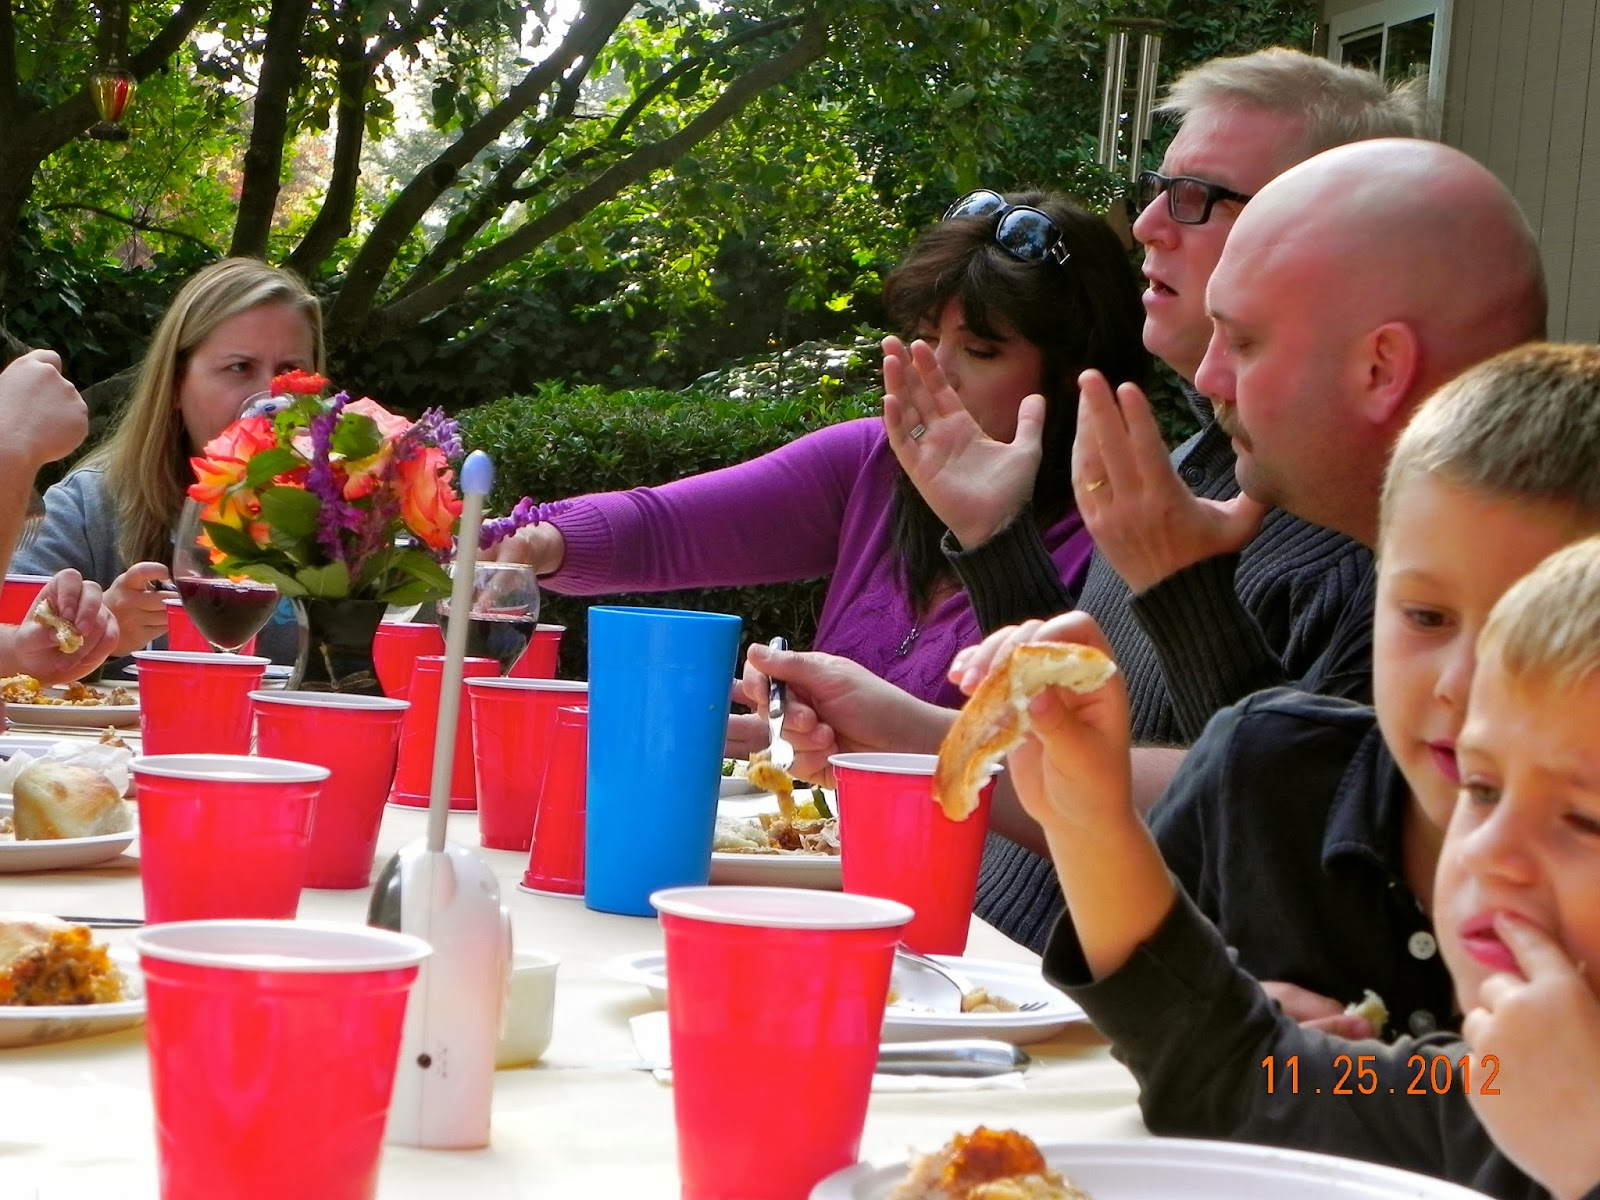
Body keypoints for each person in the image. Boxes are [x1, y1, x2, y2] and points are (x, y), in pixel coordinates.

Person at [962, 341, 1600, 1044]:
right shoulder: (1266, 760)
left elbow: (1484, 1092)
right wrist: (1085, 811)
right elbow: (1159, 1021)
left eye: (1529, 630)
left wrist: (1270, 1056)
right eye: (1425, 617)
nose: (1460, 683)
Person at [976, 534, 1600, 1200]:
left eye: (1584, 820)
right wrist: (1088, 822)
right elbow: (1244, 1077)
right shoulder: (1485, 1082)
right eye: (1483, 789)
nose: (1483, 851)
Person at [491, 193, 1148, 708]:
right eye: (923, 336)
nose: (933, 369)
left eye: (980, 350)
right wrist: (539, 540)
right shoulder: (872, 461)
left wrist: (996, 540)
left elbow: (1070, 751)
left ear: (1074, 377)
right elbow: (665, 529)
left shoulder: (1124, 538)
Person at [16, 258, 323, 664]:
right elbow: (11, 644)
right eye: (240, 367)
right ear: (176, 385)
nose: (269, 398)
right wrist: (99, 634)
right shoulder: (93, 505)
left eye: (290, 371)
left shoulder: (348, 516)